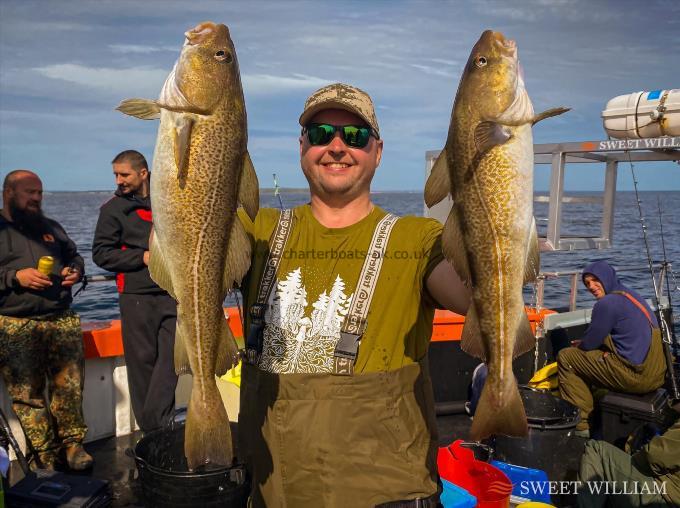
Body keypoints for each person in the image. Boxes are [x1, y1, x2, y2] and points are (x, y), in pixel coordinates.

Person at [237, 83, 471, 507]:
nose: (338, 147)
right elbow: (179, 244)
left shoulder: (418, 238)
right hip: (274, 491)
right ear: (302, 147)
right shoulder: (257, 228)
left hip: (389, 493)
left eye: (356, 137)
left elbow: (472, 299)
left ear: (377, 152)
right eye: (322, 134)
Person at [0, 169, 91, 470]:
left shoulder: (50, 226)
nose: (37, 198)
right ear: (9, 193)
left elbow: (74, 256)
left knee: (70, 387)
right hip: (15, 323)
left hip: (60, 318)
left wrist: (75, 271)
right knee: (28, 396)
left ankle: (74, 446)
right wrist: (16, 277)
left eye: (39, 193)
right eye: (30, 192)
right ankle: (44, 456)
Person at [92, 150, 178, 432]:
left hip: (173, 292)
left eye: (124, 174)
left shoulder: (169, 197)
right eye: (116, 175)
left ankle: (158, 425)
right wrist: (141, 258)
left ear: (143, 173)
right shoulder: (112, 209)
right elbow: (102, 254)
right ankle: (154, 431)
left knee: (173, 360)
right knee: (142, 364)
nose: (119, 180)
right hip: (136, 296)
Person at [557, 260, 666, 437]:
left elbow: (590, 344)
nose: (591, 286)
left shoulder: (607, 303)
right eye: (587, 283)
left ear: (606, 278)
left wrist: (581, 345)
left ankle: (581, 426)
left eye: (595, 280)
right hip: (657, 374)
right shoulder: (632, 296)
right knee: (595, 355)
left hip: (637, 377)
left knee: (567, 357)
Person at [577, 410, 680, 507]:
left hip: (665, 499)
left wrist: (633, 455)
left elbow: (653, 457)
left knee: (597, 449)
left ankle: (583, 424)